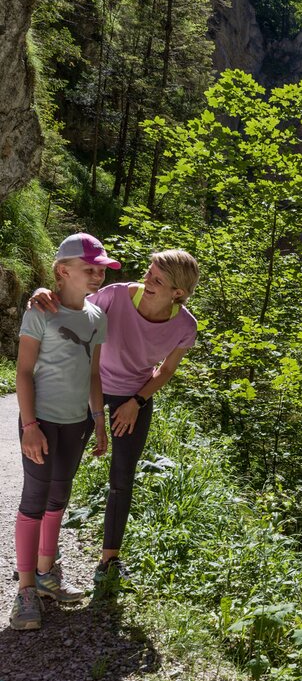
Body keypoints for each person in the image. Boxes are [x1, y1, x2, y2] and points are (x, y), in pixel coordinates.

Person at [30, 247, 199, 595]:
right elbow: (72, 305)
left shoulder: (185, 325)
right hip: (86, 386)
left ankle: (109, 561)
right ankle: (46, 548)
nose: (147, 281)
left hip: (134, 397)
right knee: (62, 469)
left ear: (178, 292)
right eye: (149, 273)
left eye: (158, 280)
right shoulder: (116, 295)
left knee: (122, 478)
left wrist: (137, 401)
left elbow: (167, 369)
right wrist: (43, 293)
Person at [10, 234, 114, 631]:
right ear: (62, 271)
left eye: (101, 270)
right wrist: (30, 426)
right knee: (34, 500)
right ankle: (24, 592)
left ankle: (46, 574)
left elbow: (93, 373)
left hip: (77, 423)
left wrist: (98, 419)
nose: (97, 275)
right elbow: (23, 372)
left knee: (59, 497)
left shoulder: (97, 316)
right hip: (41, 421)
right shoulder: (41, 311)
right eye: (89, 269)